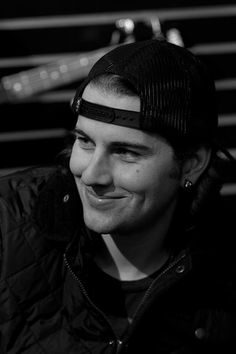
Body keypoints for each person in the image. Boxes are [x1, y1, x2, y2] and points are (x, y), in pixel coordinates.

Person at [0, 38, 236, 354]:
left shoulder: (224, 275)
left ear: (191, 165)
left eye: (125, 152)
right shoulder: (7, 227)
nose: (92, 175)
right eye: (84, 141)